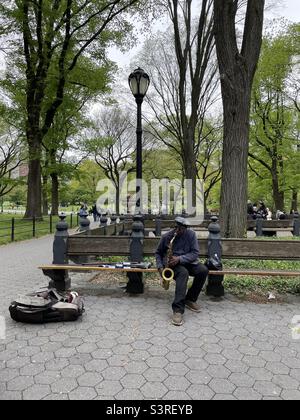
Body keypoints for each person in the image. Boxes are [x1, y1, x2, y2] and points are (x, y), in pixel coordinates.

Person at [155, 217, 208, 326]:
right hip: (174, 265)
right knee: (183, 273)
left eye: (182, 229)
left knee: (203, 270)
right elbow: (158, 253)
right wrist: (160, 267)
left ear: (186, 228)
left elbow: (194, 253)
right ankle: (178, 310)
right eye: (177, 229)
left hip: (188, 262)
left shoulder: (191, 235)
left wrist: (180, 258)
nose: (179, 232)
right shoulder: (167, 237)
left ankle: (190, 299)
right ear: (175, 227)